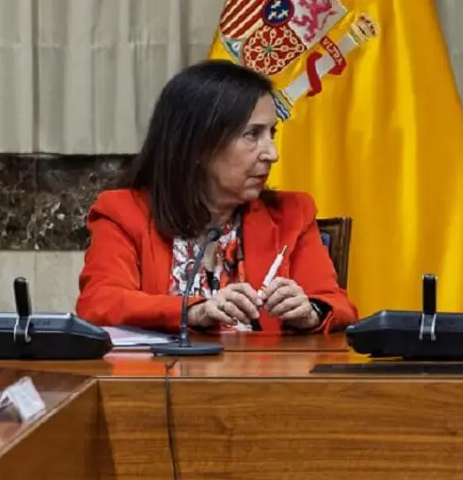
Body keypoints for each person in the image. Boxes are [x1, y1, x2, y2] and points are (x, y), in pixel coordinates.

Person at [76, 60, 357, 334]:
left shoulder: (292, 214)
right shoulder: (123, 212)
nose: (272, 153)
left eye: (271, 133)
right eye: (252, 134)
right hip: (160, 379)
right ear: (198, 145)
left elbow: (338, 305)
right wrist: (193, 310)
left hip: (266, 378)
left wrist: (310, 311)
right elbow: (99, 303)